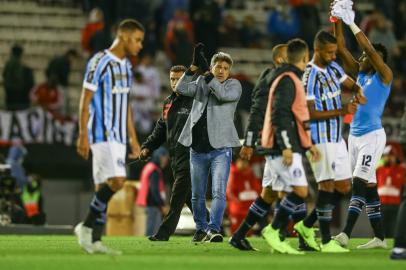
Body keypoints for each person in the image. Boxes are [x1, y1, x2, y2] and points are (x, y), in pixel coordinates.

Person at [74, 19, 144, 255]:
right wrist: (82, 134)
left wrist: (133, 139)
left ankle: (94, 240)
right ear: (124, 37)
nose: (140, 45)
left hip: (119, 136)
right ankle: (84, 226)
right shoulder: (99, 61)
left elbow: (126, 105)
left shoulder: (126, 66)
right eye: (137, 40)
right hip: (101, 132)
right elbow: (84, 101)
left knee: (101, 187)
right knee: (117, 181)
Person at [293, 30, 365, 253]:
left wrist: (358, 90)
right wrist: (343, 110)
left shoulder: (334, 67)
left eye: (335, 52)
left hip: (336, 137)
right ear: (317, 51)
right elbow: (310, 113)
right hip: (318, 137)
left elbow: (351, 82)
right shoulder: (310, 75)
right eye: (329, 53)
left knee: (343, 186)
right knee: (325, 185)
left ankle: (305, 225)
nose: (334, 56)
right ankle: (325, 241)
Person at [331, 0, 393, 249]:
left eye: (366, 56)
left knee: (357, 183)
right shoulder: (361, 73)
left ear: (376, 59)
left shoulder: (384, 75)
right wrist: (336, 20)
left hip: (372, 138)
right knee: (368, 188)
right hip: (354, 137)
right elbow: (342, 48)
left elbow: (368, 47)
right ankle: (379, 238)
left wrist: (352, 22)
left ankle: (345, 234)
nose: (361, 57)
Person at [248, 38, 320, 254]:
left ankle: (280, 235)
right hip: (281, 147)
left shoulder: (292, 79)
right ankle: (274, 231)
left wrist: (308, 144)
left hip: (289, 145)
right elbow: (278, 115)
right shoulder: (286, 79)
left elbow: (298, 116)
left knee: (282, 192)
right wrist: (287, 146)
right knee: (297, 191)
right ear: (305, 58)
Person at [176, 45, 242, 243]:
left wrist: (207, 76)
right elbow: (179, 88)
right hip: (197, 149)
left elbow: (221, 95)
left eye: (225, 68)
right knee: (196, 195)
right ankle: (201, 229)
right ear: (211, 68)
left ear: (229, 71)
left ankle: (213, 229)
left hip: (221, 149)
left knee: (218, 192)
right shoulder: (201, 83)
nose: (221, 70)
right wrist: (193, 68)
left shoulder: (234, 86)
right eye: (217, 67)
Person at [229, 44, 291, 251]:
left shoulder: (285, 79)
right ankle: (280, 235)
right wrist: (248, 142)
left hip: (278, 144)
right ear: (281, 60)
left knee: (269, 194)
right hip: (278, 144)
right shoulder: (271, 81)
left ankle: (239, 236)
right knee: (290, 191)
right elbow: (257, 111)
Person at [140, 65, 204, 241]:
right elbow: (160, 129)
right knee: (191, 197)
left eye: (179, 79)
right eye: (172, 79)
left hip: (192, 155)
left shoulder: (195, 100)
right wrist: (148, 147)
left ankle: (164, 232)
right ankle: (212, 227)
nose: (175, 83)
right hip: (175, 156)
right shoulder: (168, 102)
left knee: (177, 196)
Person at [136, 147, 170, 236]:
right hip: (153, 204)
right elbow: (154, 190)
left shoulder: (149, 167)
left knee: (151, 228)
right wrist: (162, 204)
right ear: (160, 157)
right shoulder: (154, 170)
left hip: (150, 204)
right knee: (152, 230)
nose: (165, 161)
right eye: (165, 158)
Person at [226, 157, 261, 235]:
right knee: (236, 226)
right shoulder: (233, 172)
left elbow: (257, 188)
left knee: (249, 225)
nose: (243, 164)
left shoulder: (249, 172)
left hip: (249, 204)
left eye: (245, 162)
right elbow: (229, 191)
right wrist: (237, 202)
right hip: (237, 205)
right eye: (241, 161)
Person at [376, 145, 405, 237]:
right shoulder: (378, 170)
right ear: (383, 157)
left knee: (393, 230)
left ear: (396, 157)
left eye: (391, 155)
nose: (389, 157)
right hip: (380, 204)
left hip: (395, 205)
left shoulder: (402, 170)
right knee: (378, 229)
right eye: (387, 155)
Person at [2, 44, 34, 111]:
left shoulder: (9, 62)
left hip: (10, 89)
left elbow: (4, 74)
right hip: (16, 91)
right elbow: (17, 77)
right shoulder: (16, 63)